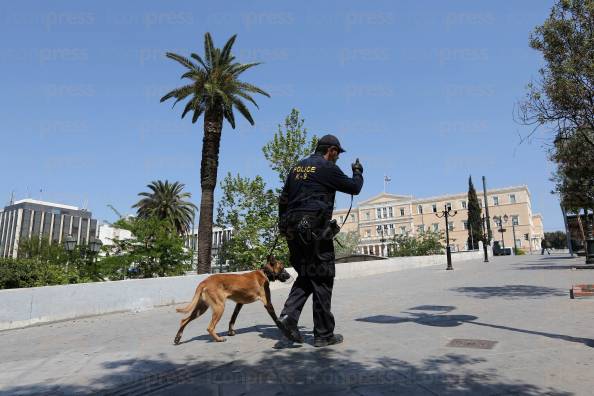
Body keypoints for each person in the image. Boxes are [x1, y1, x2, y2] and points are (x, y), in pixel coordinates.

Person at [277, 134, 363, 347]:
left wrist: (282, 226)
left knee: (307, 273)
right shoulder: (327, 167)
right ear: (331, 150)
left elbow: (283, 200)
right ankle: (323, 335)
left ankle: (289, 317)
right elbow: (354, 188)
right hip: (314, 230)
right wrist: (357, 172)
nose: (337, 158)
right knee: (322, 278)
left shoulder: (297, 167)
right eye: (337, 154)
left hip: (292, 229)